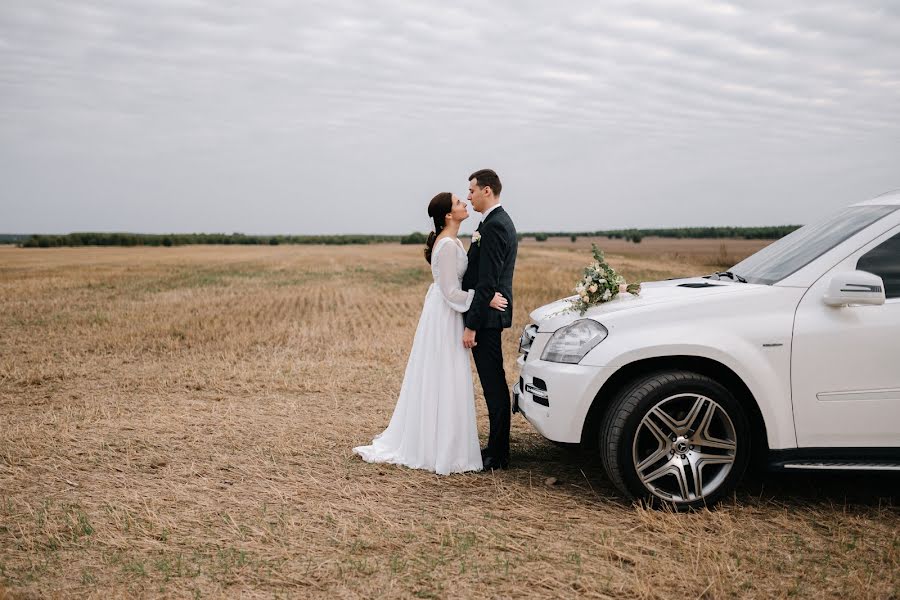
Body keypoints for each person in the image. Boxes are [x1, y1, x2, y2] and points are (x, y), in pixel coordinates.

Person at [353, 192, 508, 475]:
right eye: (459, 203)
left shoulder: (451, 240)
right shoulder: (447, 245)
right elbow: (450, 291)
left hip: (447, 311)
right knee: (445, 373)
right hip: (446, 314)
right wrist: (483, 298)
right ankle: (440, 445)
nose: (464, 204)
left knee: (443, 373)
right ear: (449, 215)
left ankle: (444, 439)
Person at [462, 169, 518, 470]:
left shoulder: (495, 225)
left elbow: (488, 280)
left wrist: (471, 323)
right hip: (487, 312)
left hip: (486, 319)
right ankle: (495, 449)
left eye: (471, 190)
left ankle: (498, 455)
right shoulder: (491, 222)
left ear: (486, 190)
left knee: (494, 385)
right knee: (492, 383)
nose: (468, 196)